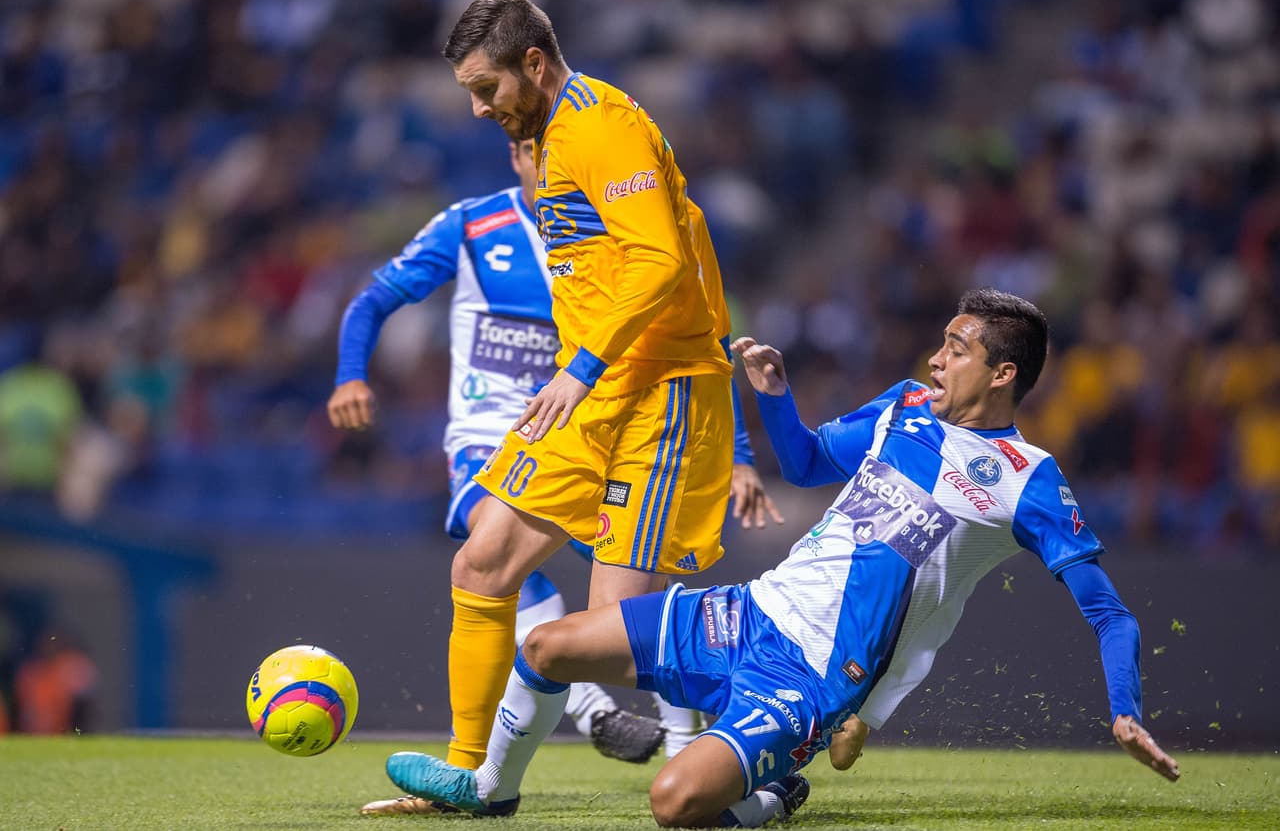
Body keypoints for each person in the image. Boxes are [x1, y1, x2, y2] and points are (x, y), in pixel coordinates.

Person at [386, 289, 1181, 827]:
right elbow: (801, 463)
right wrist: (773, 393)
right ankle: (491, 791)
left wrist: (1124, 707)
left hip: (809, 677)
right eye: (942, 341)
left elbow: (1108, 609)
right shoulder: (903, 406)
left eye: (959, 347)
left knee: (673, 804)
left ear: (1003, 373)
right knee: (546, 646)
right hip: (749, 608)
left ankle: (769, 795)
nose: (938, 357)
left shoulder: (1028, 480)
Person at [380, 0, 768, 813]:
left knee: (608, 635)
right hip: (593, 393)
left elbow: (663, 259)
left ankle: (789, 696)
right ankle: (466, 775)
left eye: (487, 89)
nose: (480, 110)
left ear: (534, 63)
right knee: (481, 561)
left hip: (656, 393)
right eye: (469, 95)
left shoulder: (599, 125)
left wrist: (582, 366)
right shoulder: (548, 138)